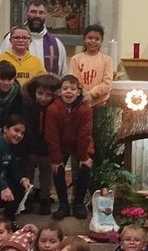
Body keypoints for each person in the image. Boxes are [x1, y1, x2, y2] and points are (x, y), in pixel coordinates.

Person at [46, 75, 94, 220]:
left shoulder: (85, 110)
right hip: (60, 143)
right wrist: (56, 158)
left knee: (85, 167)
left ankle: (78, 203)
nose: (69, 92)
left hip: (81, 143)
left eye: (73, 89)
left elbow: (84, 135)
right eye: (65, 88)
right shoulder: (53, 109)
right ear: (59, 92)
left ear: (78, 92)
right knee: (57, 168)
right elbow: (51, 135)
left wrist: (83, 157)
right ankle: (63, 205)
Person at [21, 74, 60, 215]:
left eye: (48, 95)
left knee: (46, 173)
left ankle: (45, 198)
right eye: (40, 93)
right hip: (30, 145)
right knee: (28, 172)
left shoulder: (56, 108)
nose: (43, 98)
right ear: (34, 92)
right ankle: (27, 198)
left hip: (47, 146)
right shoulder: (28, 105)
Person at [0, 0, 68, 76]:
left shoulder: (56, 44)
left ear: (46, 15)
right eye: (33, 12)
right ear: (26, 13)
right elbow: (1, 67)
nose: (37, 16)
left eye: (41, 12)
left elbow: (63, 75)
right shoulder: (12, 38)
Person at [69, 24, 114, 106]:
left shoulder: (106, 60)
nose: (93, 41)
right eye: (90, 38)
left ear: (101, 41)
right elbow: (74, 80)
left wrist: (92, 94)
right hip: (80, 102)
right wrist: (83, 94)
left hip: (100, 103)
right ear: (84, 39)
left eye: (97, 39)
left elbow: (107, 83)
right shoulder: (76, 59)